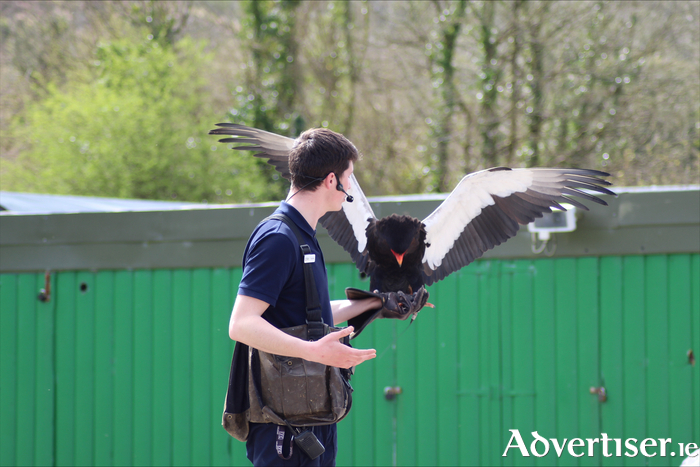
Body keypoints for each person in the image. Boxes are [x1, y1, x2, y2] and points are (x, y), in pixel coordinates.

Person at [228, 128, 383, 466]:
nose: (351, 189)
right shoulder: (278, 238)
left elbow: (305, 314)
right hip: (285, 431)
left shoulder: (303, 235)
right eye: (349, 178)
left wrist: (375, 304)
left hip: (311, 422)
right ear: (331, 180)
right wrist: (314, 352)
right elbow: (241, 324)